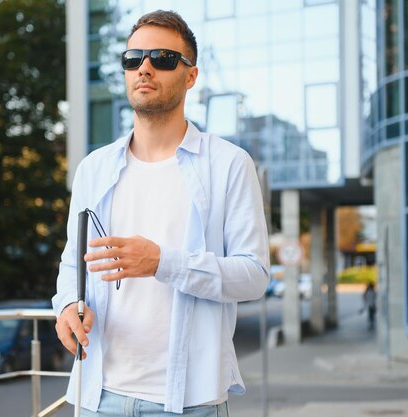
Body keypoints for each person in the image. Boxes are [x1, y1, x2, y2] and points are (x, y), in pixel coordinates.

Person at [52, 10, 270, 416]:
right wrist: (66, 305)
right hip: (98, 396)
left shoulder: (228, 164)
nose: (144, 68)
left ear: (190, 76)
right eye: (133, 59)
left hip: (190, 402)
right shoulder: (93, 168)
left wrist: (162, 263)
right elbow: (72, 264)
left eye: (163, 59)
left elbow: (254, 275)